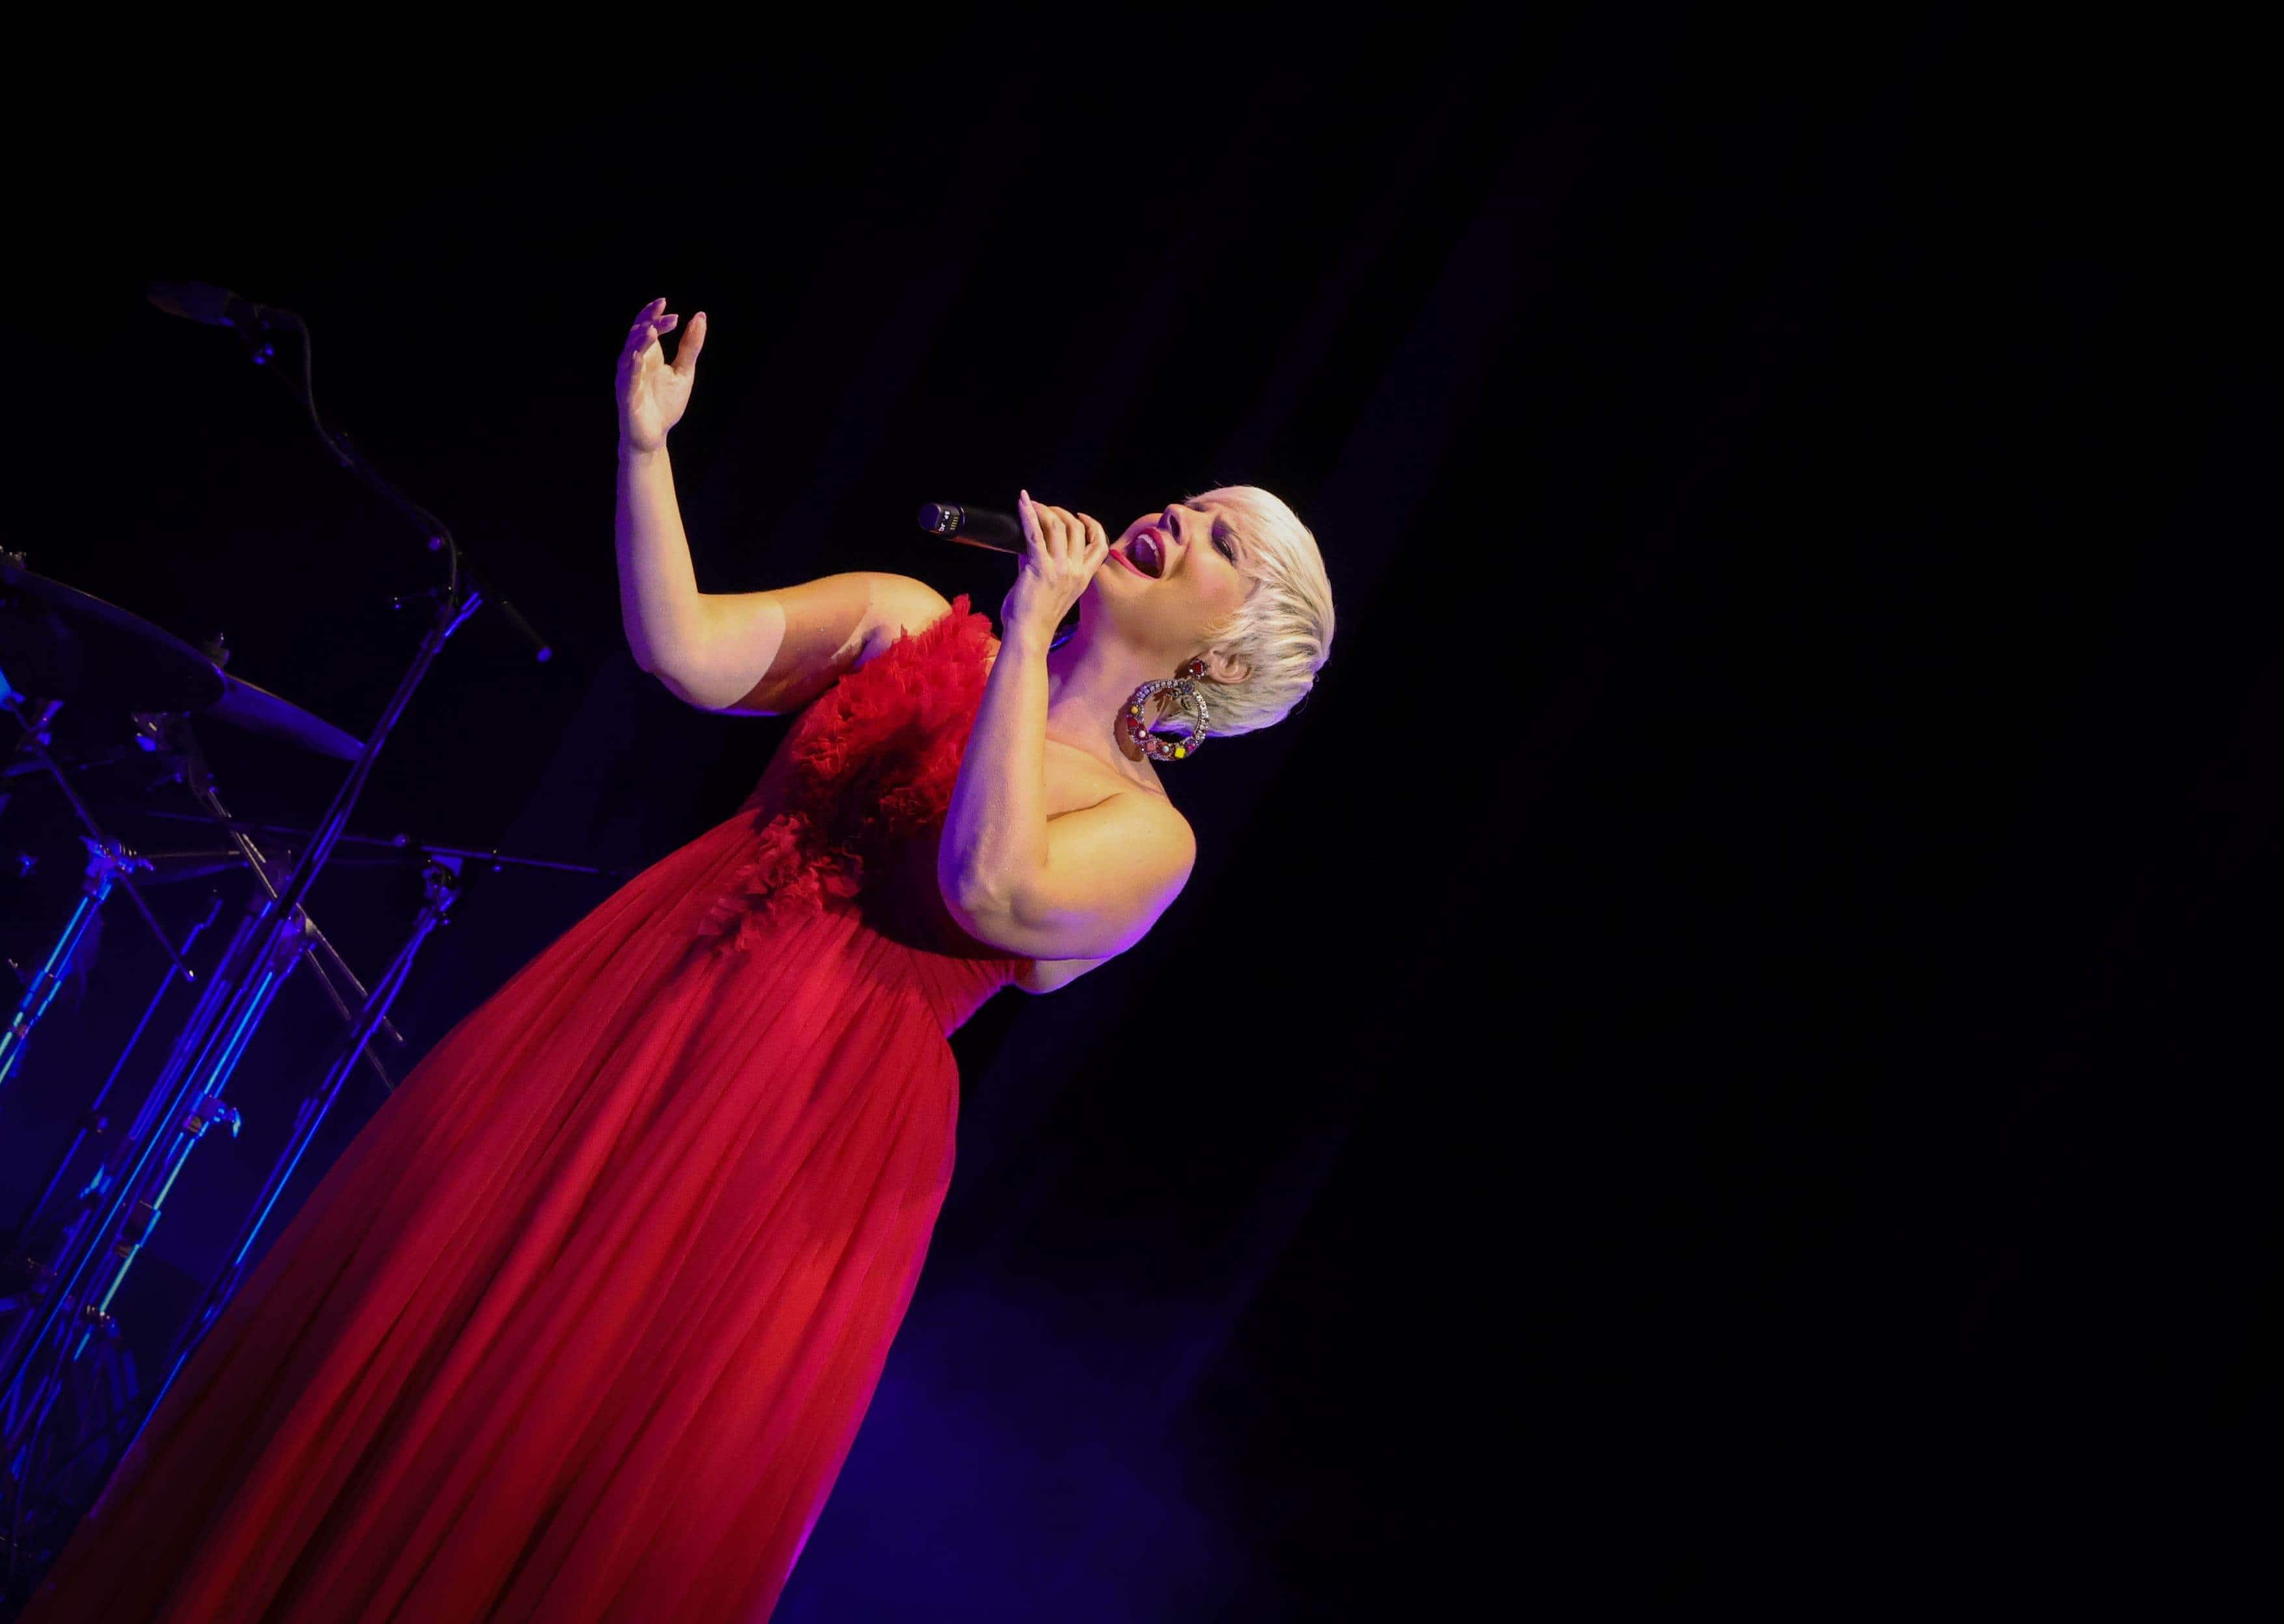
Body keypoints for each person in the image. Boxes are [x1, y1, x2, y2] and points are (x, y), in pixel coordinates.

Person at [19, 298, 1335, 1623]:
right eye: (1192, 501)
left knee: (579, 1430)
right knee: (433, 1317)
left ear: (1224, 656)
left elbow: (987, 881)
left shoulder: (1145, 839)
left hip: (803, 1126)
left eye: (1221, 539)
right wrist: (645, 448)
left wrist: (1033, 641)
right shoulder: (905, 616)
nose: (1176, 517)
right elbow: (687, 654)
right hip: (646, 1000)